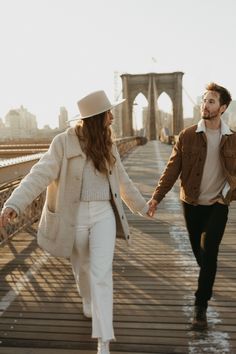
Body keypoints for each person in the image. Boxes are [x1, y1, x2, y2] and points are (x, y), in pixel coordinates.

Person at [0, 90, 149, 354]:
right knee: (82, 269)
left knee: (102, 273)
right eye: (108, 113)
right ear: (96, 117)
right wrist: (14, 203)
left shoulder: (109, 144)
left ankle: (103, 342)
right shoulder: (63, 142)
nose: (113, 117)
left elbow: (123, 181)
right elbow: (40, 173)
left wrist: (143, 206)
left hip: (104, 214)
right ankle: (87, 299)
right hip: (74, 216)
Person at [147, 82, 236, 329]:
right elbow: (172, 169)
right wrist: (157, 197)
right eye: (203, 100)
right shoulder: (186, 135)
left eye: (211, 101)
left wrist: (228, 194)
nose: (205, 105)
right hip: (192, 204)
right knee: (201, 255)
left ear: (223, 107)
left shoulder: (233, 139)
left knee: (211, 256)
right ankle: (205, 283)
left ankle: (200, 307)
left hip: (218, 205)